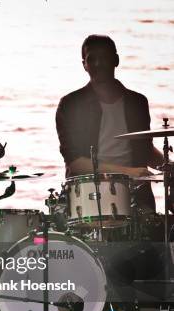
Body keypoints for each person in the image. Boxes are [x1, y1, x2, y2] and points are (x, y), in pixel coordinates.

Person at [56, 34, 162, 210]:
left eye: (104, 57)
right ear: (84, 64)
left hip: (136, 193)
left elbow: (144, 149)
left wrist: (170, 168)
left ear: (116, 60)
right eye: (92, 59)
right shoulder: (71, 104)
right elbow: (75, 163)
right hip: (88, 193)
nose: (98, 64)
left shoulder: (137, 102)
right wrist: (127, 172)